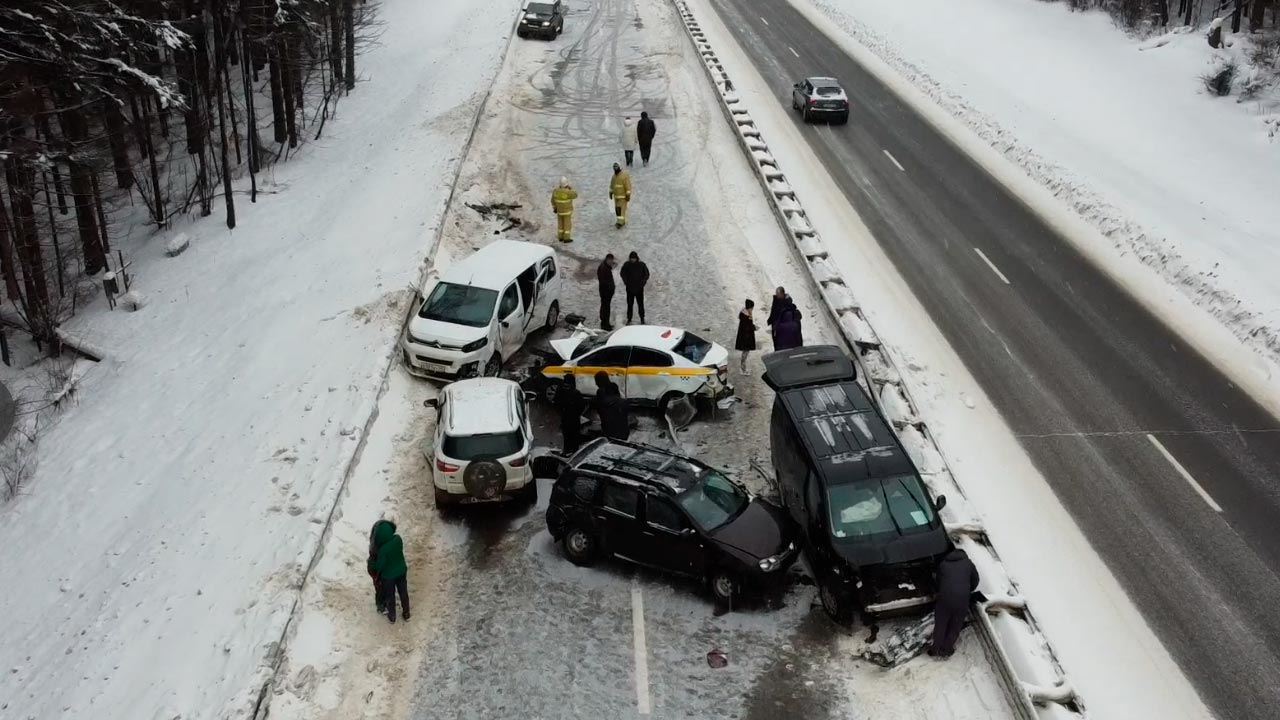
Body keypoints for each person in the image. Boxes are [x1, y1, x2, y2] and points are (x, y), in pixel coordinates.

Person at [929, 548, 980, 658]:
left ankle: (935, 649)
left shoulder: (943, 564)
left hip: (944, 599)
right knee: (955, 626)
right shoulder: (969, 564)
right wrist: (966, 590)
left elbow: (938, 582)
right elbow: (975, 580)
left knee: (940, 624)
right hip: (962, 599)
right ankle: (946, 650)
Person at [372, 520, 409, 623]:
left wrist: (373, 564)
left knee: (390, 595)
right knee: (403, 592)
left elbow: (380, 566)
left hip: (389, 577)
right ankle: (406, 613)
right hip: (402, 571)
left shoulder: (383, 550)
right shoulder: (398, 539)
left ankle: (392, 616)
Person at [366, 518, 396, 613]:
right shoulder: (376, 549)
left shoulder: (382, 529)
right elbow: (374, 565)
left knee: (383, 585)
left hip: (377, 565)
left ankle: (384, 601)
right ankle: (380, 605)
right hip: (374, 568)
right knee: (379, 587)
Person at [554, 374, 586, 453]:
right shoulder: (576, 393)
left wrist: (562, 412)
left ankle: (567, 450)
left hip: (565, 417)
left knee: (567, 437)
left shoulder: (560, 391)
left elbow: (556, 403)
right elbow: (581, 406)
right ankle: (574, 451)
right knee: (574, 437)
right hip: (574, 419)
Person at [594, 370, 629, 440]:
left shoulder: (600, 391)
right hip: (620, 424)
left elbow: (600, 408)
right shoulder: (613, 386)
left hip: (609, 425)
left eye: (596, 381)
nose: (596, 384)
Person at [619, 251, 650, 325]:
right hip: (630, 289)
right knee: (630, 304)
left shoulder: (641, 265)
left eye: (634, 258)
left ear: (636, 258)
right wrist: (626, 282)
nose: (633, 260)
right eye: (631, 258)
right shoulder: (627, 265)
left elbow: (646, 274)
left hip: (639, 289)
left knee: (640, 304)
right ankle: (629, 318)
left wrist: (642, 282)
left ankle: (642, 318)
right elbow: (622, 273)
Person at [550, 177, 578, 243]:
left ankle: (560, 237)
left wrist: (555, 208)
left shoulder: (555, 191)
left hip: (559, 211)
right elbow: (575, 195)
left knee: (560, 225)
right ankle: (566, 238)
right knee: (567, 225)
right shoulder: (568, 192)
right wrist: (571, 189)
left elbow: (552, 201)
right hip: (567, 212)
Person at [735, 299, 757, 373]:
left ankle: (743, 368)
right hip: (746, 338)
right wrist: (754, 328)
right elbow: (747, 327)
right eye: (752, 307)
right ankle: (743, 369)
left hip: (744, 336)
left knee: (745, 353)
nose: (752, 309)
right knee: (745, 353)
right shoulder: (747, 316)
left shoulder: (745, 313)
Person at [597, 253, 617, 330]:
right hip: (605, 292)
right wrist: (609, 288)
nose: (611, 261)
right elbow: (604, 281)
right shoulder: (603, 268)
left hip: (607, 292)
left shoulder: (606, 267)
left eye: (611, 260)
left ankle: (606, 323)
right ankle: (605, 324)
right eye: (609, 260)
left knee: (606, 307)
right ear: (606, 259)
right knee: (605, 308)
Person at [609, 163, 632, 228]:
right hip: (616, 197)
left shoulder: (624, 176)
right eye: (614, 168)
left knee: (621, 210)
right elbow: (612, 185)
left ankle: (621, 222)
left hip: (623, 197)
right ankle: (620, 221)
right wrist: (610, 192)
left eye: (616, 167)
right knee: (617, 209)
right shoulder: (614, 177)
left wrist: (628, 195)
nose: (615, 169)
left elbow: (628, 186)